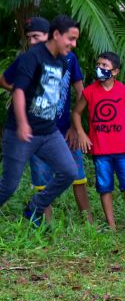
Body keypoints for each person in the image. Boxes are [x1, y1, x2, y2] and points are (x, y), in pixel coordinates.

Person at [1, 16, 91, 223]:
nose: (74, 44)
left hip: (49, 132)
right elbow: (19, 90)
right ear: (56, 35)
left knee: (69, 171)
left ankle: (34, 207)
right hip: (21, 132)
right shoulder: (31, 57)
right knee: (9, 185)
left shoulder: (60, 60)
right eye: (71, 38)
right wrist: (23, 123)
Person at [72, 52, 125, 230]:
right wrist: (81, 133)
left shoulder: (123, 91)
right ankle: (112, 226)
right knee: (105, 187)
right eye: (98, 64)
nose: (100, 68)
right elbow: (76, 113)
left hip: (123, 150)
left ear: (115, 71)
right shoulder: (89, 92)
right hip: (101, 151)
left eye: (104, 66)